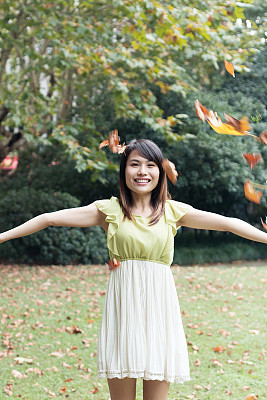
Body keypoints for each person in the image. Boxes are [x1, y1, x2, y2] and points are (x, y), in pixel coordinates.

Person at [0, 138, 267, 400]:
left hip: (159, 310)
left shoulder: (172, 211)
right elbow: (49, 219)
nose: (142, 171)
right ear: (124, 170)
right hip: (123, 310)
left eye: (150, 165)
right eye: (134, 164)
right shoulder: (108, 211)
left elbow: (230, 223)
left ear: (160, 172)